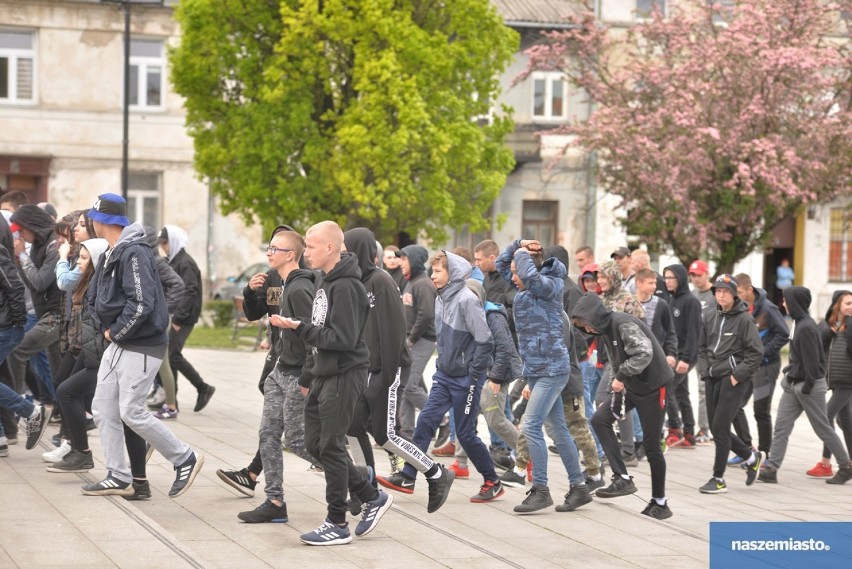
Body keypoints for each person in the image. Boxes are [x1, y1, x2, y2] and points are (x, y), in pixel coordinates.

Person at [278, 221, 393, 546]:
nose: (307, 252)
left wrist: (298, 328)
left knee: (330, 445)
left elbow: (340, 339)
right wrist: (309, 374)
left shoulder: (347, 287)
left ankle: (336, 522)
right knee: (314, 444)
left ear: (330, 248)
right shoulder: (325, 282)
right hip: (325, 373)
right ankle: (371, 496)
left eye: (311, 246)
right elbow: (320, 333)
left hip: (345, 373)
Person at [82, 193, 203, 498]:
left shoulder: (134, 252)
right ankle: (118, 475)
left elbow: (142, 303)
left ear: (103, 220)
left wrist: (116, 331)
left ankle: (183, 457)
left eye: (93, 218)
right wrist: (107, 327)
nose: (90, 223)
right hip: (120, 341)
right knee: (102, 407)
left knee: (131, 411)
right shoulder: (113, 252)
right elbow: (96, 297)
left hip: (141, 344)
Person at [344, 229, 453, 515]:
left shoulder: (380, 281)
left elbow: (393, 332)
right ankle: (363, 489)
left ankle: (436, 473)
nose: (343, 254)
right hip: (366, 369)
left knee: (385, 435)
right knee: (353, 426)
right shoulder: (356, 281)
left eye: (347, 248)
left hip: (388, 370)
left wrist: (386, 377)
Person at [392, 251, 501, 505]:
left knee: (465, 434)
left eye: (438, 272)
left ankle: (492, 481)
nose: (433, 276)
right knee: (426, 422)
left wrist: (473, 374)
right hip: (445, 375)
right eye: (432, 271)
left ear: (452, 274)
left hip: (466, 379)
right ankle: (408, 475)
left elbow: (485, 340)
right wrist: (442, 365)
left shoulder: (466, 299)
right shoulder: (441, 299)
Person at [496, 239, 590, 513]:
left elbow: (527, 274)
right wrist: (518, 244)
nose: (512, 276)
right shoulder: (525, 288)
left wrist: (524, 255)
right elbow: (503, 265)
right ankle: (579, 487)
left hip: (552, 369)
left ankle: (540, 489)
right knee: (559, 430)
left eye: (518, 270)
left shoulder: (549, 286)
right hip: (536, 369)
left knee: (531, 426)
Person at [236, 229, 317, 523]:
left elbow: (313, 338)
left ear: (290, 255)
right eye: (268, 247)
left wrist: (307, 378)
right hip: (279, 370)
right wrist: (249, 291)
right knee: (268, 435)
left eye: (275, 249)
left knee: (297, 440)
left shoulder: (299, 288)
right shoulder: (276, 281)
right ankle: (274, 501)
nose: (268, 253)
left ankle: (358, 480)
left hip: (297, 374)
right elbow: (256, 314)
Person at [572, 293, 674, 520]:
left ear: (594, 316)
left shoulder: (622, 323)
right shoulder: (605, 330)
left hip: (655, 386)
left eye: (586, 325)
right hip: (633, 386)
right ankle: (622, 479)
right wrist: (613, 386)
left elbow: (643, 353)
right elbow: (615, 362)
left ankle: (660, 502)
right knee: (599, 419)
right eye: (583, 327)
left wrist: (620, 376)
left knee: (651, 446)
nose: (587, 330)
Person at [759, 287, 852, 485]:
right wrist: (789, 373)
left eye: (786, 300)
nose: (783, 303)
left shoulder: (807, 327)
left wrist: (808, 385)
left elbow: (814, 361)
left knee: (823, 428)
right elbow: (798, 357)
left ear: (795, 303)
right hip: (794, 384)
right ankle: (771, 469)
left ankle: (845, 466)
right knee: (782, 427)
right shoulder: (798, 323)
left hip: (808, 386)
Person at [697, 274, 764, 494]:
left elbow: (756, 353)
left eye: (725, 291)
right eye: (717, 291)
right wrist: (704, 370)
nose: (721, 295)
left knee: (719, 428)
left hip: (732, 380)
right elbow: (703, 347)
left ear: (734, 293)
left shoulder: (745, 320)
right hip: (711, 377)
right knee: (719, 429)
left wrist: (737, 375)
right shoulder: (709, 315)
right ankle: (750, 456)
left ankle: (718, 478)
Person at [9, 204, 64, 406]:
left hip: (57, 315)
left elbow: (41, 282)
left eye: (21, 231)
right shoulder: (41, 245)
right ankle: (70, 418)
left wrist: (23, 256)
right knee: (58, 376)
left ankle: (19, 404)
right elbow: (32, 284)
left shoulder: (53, 246)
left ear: (31, 226)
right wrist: (19, 260)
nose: (20, 236)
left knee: (18, 352)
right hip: (47, 314)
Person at [730, 273, 789, 461]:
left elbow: (783, 334)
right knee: (735, 406)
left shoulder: (768, 308)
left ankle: (765, 454)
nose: (736, 296)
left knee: (761, 411)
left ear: (750, 289)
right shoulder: (740, 307)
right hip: (746, 366)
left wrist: (762, 352)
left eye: (739, 292)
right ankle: (746, 450)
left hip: (766, 366)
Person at [158, 225, 216, 413]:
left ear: (173, 241)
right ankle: (171, 399)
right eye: (162, 243)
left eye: (165, 243)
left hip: (182, 318)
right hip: (176, 316)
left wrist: (178, 319)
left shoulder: (186, 263)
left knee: (172, 355)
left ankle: (202, 388)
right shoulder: (174, 260)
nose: (163, 247)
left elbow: (190, 292)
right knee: (169, 356)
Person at [807, 291, 852, 479]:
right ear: (837, 305)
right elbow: (817, 343)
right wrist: (829, 331)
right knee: (846, 421)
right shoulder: (828, 324)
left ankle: (826, 463)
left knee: (826, 416)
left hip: (848, 380)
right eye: (847, 304)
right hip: (833, 379)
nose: (851, 307)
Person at [395, 245, 437, 441]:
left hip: (422, 340)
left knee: (410, 385)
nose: (400, 263)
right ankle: (407, 432)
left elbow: (426, 314)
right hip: (409, 339)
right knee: (403, 385)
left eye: (404, 259)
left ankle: (440, 420)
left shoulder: (423, 284)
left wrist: (411, 339)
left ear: (414, 260)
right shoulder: (410, 282)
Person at [662, 264, 702, 449]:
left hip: (685, 355)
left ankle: (674, 429)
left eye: (672, 278)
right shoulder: (670, 299)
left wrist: (686, 359)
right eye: (666, 278)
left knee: (666, 390)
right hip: (674, 353)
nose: (668, 281)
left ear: (681, 279)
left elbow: (694, 332)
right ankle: (689, 434)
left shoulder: (690, 301)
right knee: (681, 394)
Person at [688, 259, 714, 443]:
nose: (696, 279)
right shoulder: (692, 295)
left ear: (707, 274)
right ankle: (701, 428)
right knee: (701, 388)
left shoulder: (716, 294)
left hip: (713, 349)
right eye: (693, 276)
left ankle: (708, 428)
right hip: (696, 348)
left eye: (699, 275)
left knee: (708, 389)